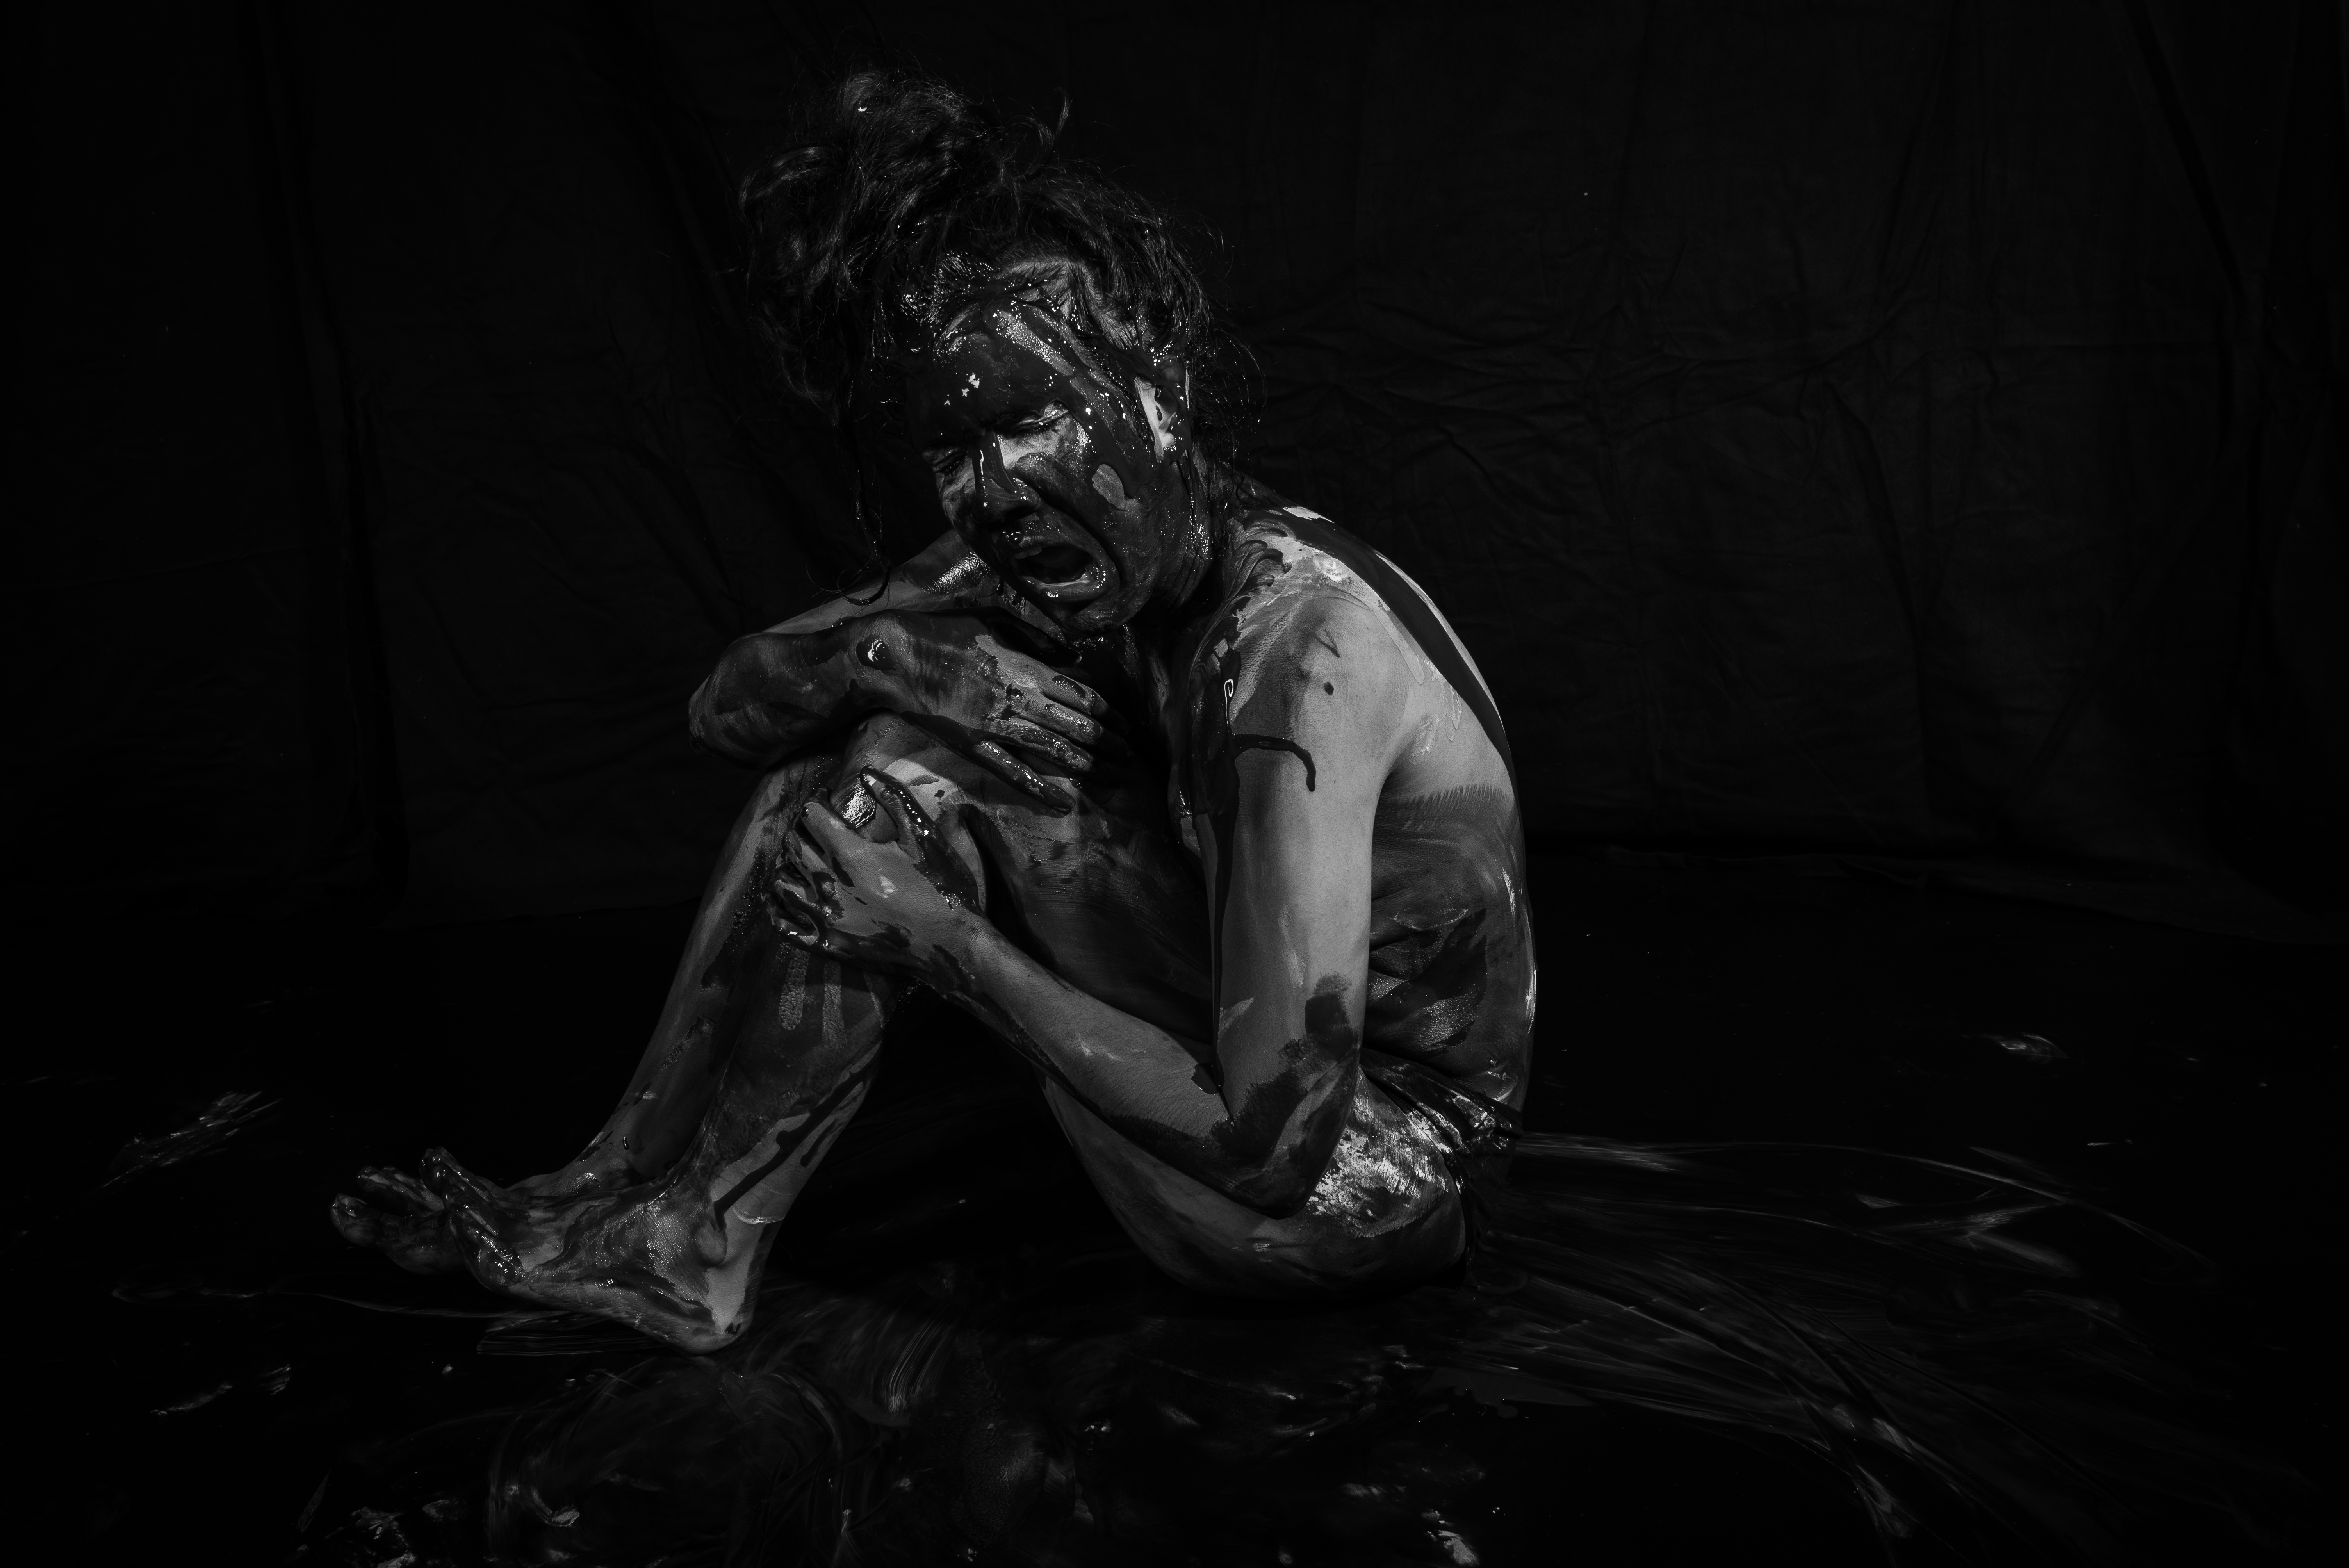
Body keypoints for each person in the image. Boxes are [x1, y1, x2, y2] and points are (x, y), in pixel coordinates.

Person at [331, 73, 1535, 1352]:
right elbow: (725, 706)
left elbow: (1276, 1149)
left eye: (1029, 419)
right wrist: (889, 659)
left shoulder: (1301, 661)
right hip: (1266, 1134)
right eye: (953, 451)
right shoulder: (1050, 549)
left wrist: (942, 942)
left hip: (1366, 1195)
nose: (994, 489)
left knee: (916, 774)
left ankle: (695, 1245)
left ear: (1159, 380)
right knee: (841, 759)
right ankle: (617, 1179)